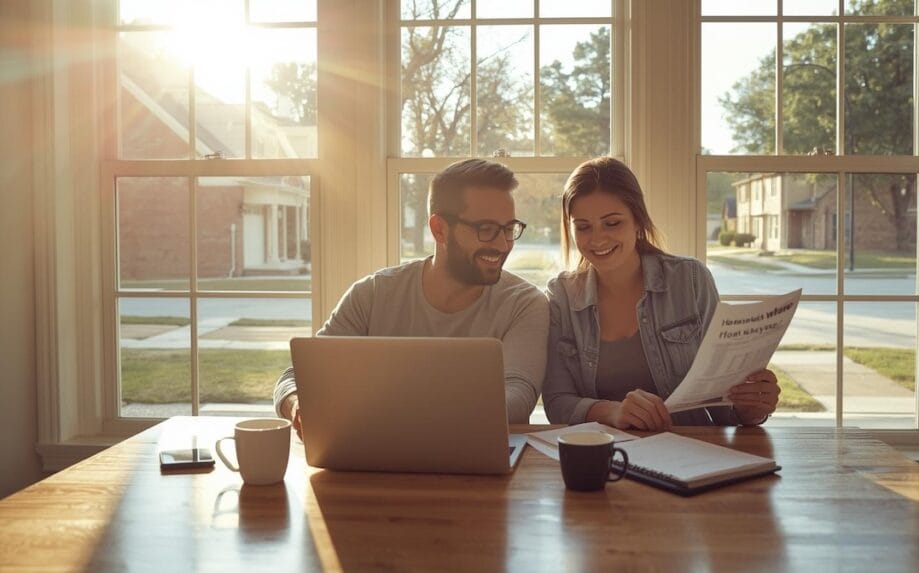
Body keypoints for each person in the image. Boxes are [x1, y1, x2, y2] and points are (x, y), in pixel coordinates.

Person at [274, 159, 549, 434]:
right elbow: (297, 377)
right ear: (439, 228)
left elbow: (519, 397)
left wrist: (395, 412)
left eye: (509, 229)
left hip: (479, 466)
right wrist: (298, 404)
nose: (502, 245)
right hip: (374, 461)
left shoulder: (524, 304)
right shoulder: (372, 294)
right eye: (486, 230)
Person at [542, 157, 779, 431]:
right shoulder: (561, 296)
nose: (597, 239)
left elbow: (723, 409)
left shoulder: (690, 280)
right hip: (603, 455)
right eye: (583, 227)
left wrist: (750, 408)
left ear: (637, 221)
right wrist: (613, 412)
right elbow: (557, 404)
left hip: (690, 452)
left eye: (612, 223)